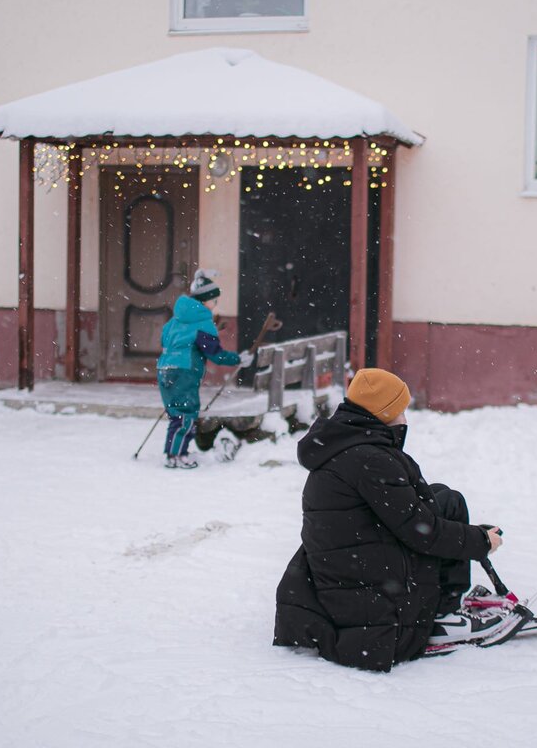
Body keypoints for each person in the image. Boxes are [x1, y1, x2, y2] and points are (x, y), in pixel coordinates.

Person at [273, 368, 507, 671]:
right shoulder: (371, 460)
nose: (405, 420)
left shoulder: (342, 444)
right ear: (382, 414)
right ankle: (442, 614)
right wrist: (480, 541)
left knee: (446, 499)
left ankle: (447, 603)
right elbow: (423, 533)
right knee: (439, 516)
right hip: (372, 605)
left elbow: (408, 514)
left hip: (350, 573)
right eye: (400, 411)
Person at [156, 269, 250, 469]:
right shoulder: (203, 322)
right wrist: (238, 359)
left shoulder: (174, 320)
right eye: (214, 301)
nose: (215, 305)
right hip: (185, 372)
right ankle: (177, 456)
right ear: (205, 300)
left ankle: (173, 453)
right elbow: (215, 353)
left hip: (165, 369)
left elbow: (164, 339)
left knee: (176, 414)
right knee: (186, 413)